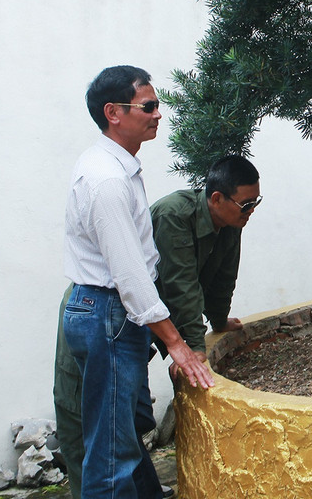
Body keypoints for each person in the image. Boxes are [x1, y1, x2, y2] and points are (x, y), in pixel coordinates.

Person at [61, 66, 213, 499]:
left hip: (109, 314)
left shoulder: (116, 167)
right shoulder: (106, 179)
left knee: (124, 435)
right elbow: (130, 278)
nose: (158, 114)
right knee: (112, 454)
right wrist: (178, 344)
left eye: (156, 105)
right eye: (148, 106)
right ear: (113, 113)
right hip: (109, 313)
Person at [151, 154, 262, 357]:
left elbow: (224, 278)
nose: (252, 210)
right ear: (217, 199)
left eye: (256, 202)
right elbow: (181, 284)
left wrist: (220, 321)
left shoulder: (231, 221)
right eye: (246, 204)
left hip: (154, 317)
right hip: (114, 318)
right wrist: (196, 346)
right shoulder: (174, 215)